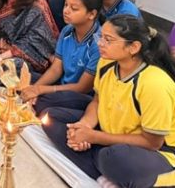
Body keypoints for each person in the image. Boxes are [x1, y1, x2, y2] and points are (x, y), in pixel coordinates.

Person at [43, 15, 175, 188]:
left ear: (133, 47)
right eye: (100, 37)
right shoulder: (106, 62)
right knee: (51, 118)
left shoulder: (155, 84)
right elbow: (97, 101)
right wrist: (84, 126)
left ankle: (107, 167)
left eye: (108, 40)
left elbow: (152, 142)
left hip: (155, 151)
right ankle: (107, 173)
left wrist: (94, 137)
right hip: (111, 134)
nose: (100, 43)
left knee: (115, 157)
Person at [20, 0, 102, 115]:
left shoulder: (98, 44)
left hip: (80, 95)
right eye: (66, 5)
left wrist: (41, 90)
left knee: (43, 102)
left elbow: (82, 87)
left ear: (91, 14)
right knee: (18, 74)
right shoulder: (67, 30)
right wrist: (35, 89)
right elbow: (56, 69)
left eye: (74, 8)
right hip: (61, 85)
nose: (66, 11)